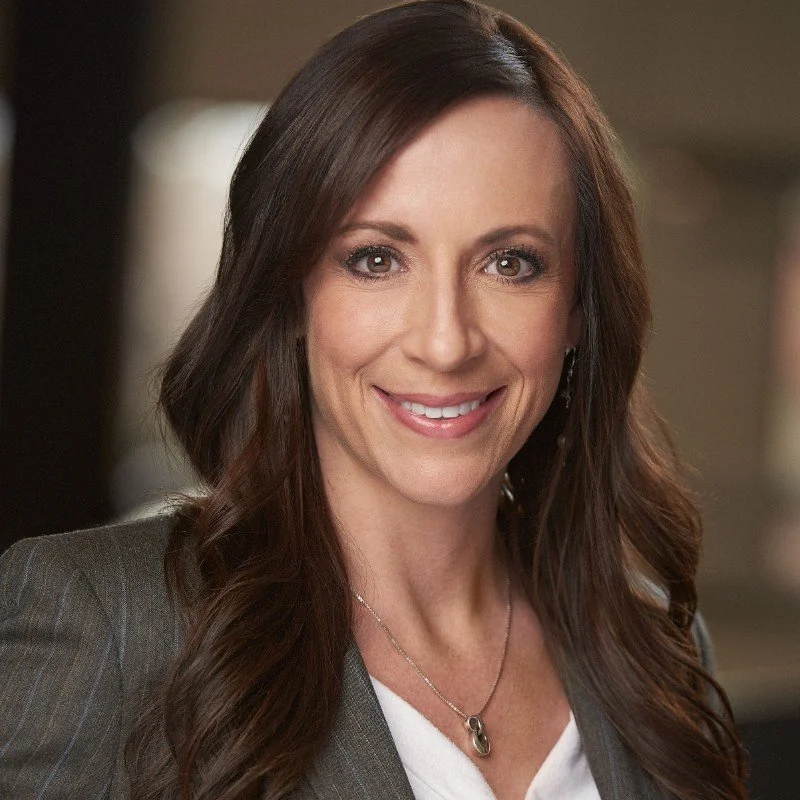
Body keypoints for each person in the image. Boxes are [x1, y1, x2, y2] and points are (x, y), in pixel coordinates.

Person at [0, 1, 747, 798]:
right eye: (378, 259)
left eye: (512, 263)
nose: (445, 340)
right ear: (290, 294)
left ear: (577, 309)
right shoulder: (102, 621)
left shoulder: (654, 644)